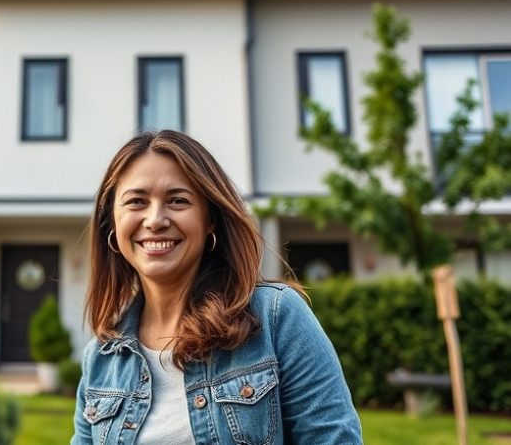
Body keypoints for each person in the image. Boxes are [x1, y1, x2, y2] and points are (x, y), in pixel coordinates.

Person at [71, 130, 362, 444]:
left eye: (178, 200)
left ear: (210, 221)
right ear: (112, 225)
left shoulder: (276, 318)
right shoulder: (100, 358)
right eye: (137, 202)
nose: (155, 219)